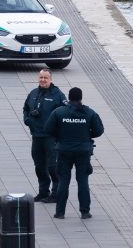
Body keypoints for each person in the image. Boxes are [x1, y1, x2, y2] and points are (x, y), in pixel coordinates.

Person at [44, 86, 104, 220]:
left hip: (64, 150)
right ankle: (85, 212)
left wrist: (59, 135)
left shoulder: (59, 112)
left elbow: (48, 129)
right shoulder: (89, 113)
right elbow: (99, 131)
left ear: (69, 97)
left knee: (63, 181)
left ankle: (60, 212)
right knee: (82, 180)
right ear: (81, 97)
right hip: (83, 151)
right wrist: (87, 134)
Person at [22, 70, 67, 203]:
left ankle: (56, 193)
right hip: (36, 136)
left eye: (45, 78)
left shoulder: (58, 95)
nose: (43, 80)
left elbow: (65, 113)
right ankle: (43, 192)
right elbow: (25, 108)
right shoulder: (33, 93)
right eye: (41, 77)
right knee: (39, 166)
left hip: (51, 137)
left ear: (51, 79)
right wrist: (27, 120)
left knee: (53, 166)